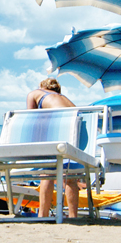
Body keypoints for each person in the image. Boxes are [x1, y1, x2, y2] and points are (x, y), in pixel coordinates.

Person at [26, 78, 81, 218]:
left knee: (46, 173)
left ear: (42, 87)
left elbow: (30, 119)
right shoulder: (64, 98)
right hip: (74, 133)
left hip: (58, 127)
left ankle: (43, 215)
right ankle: (73, 216)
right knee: (70, 176)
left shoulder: (35, 93)